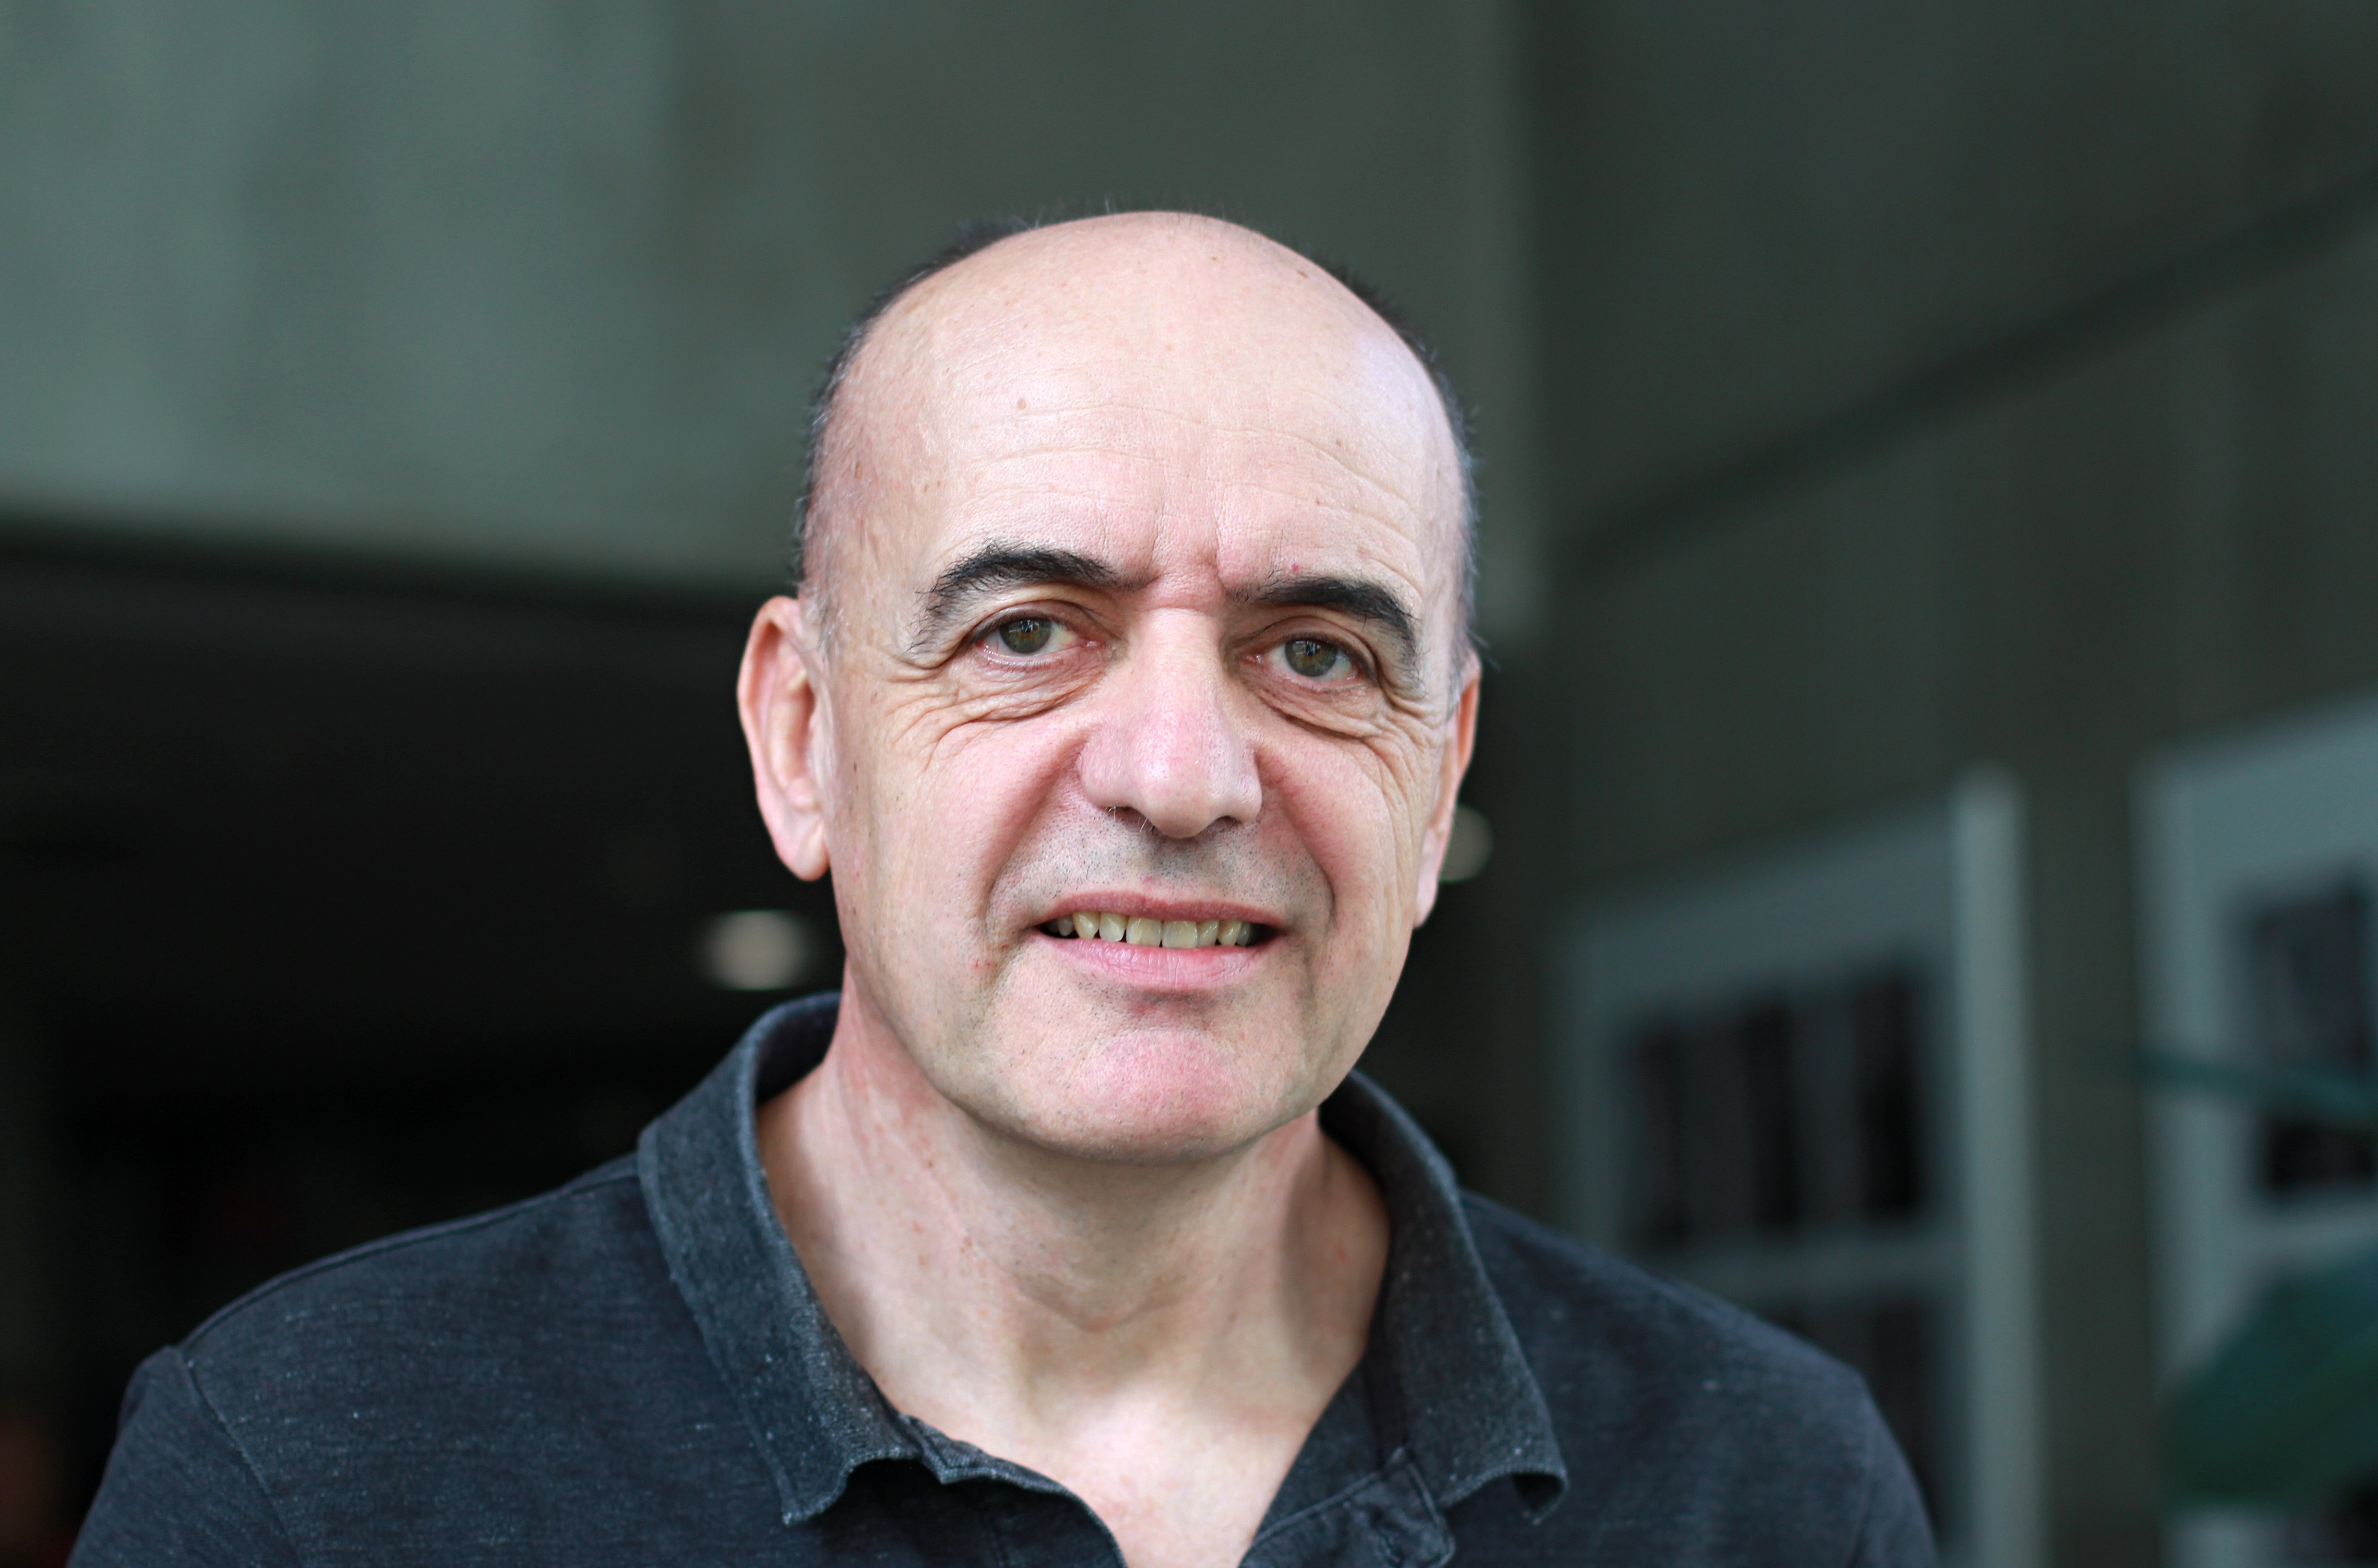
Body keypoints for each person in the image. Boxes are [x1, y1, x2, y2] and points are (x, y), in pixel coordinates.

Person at [71, 213, 1933, 1567]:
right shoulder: (309, 1475)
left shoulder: (1765, 1487)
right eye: (1029, 630)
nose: (1183, 774)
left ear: (1438, 777)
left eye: (1315, 653)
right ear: (803, 738)